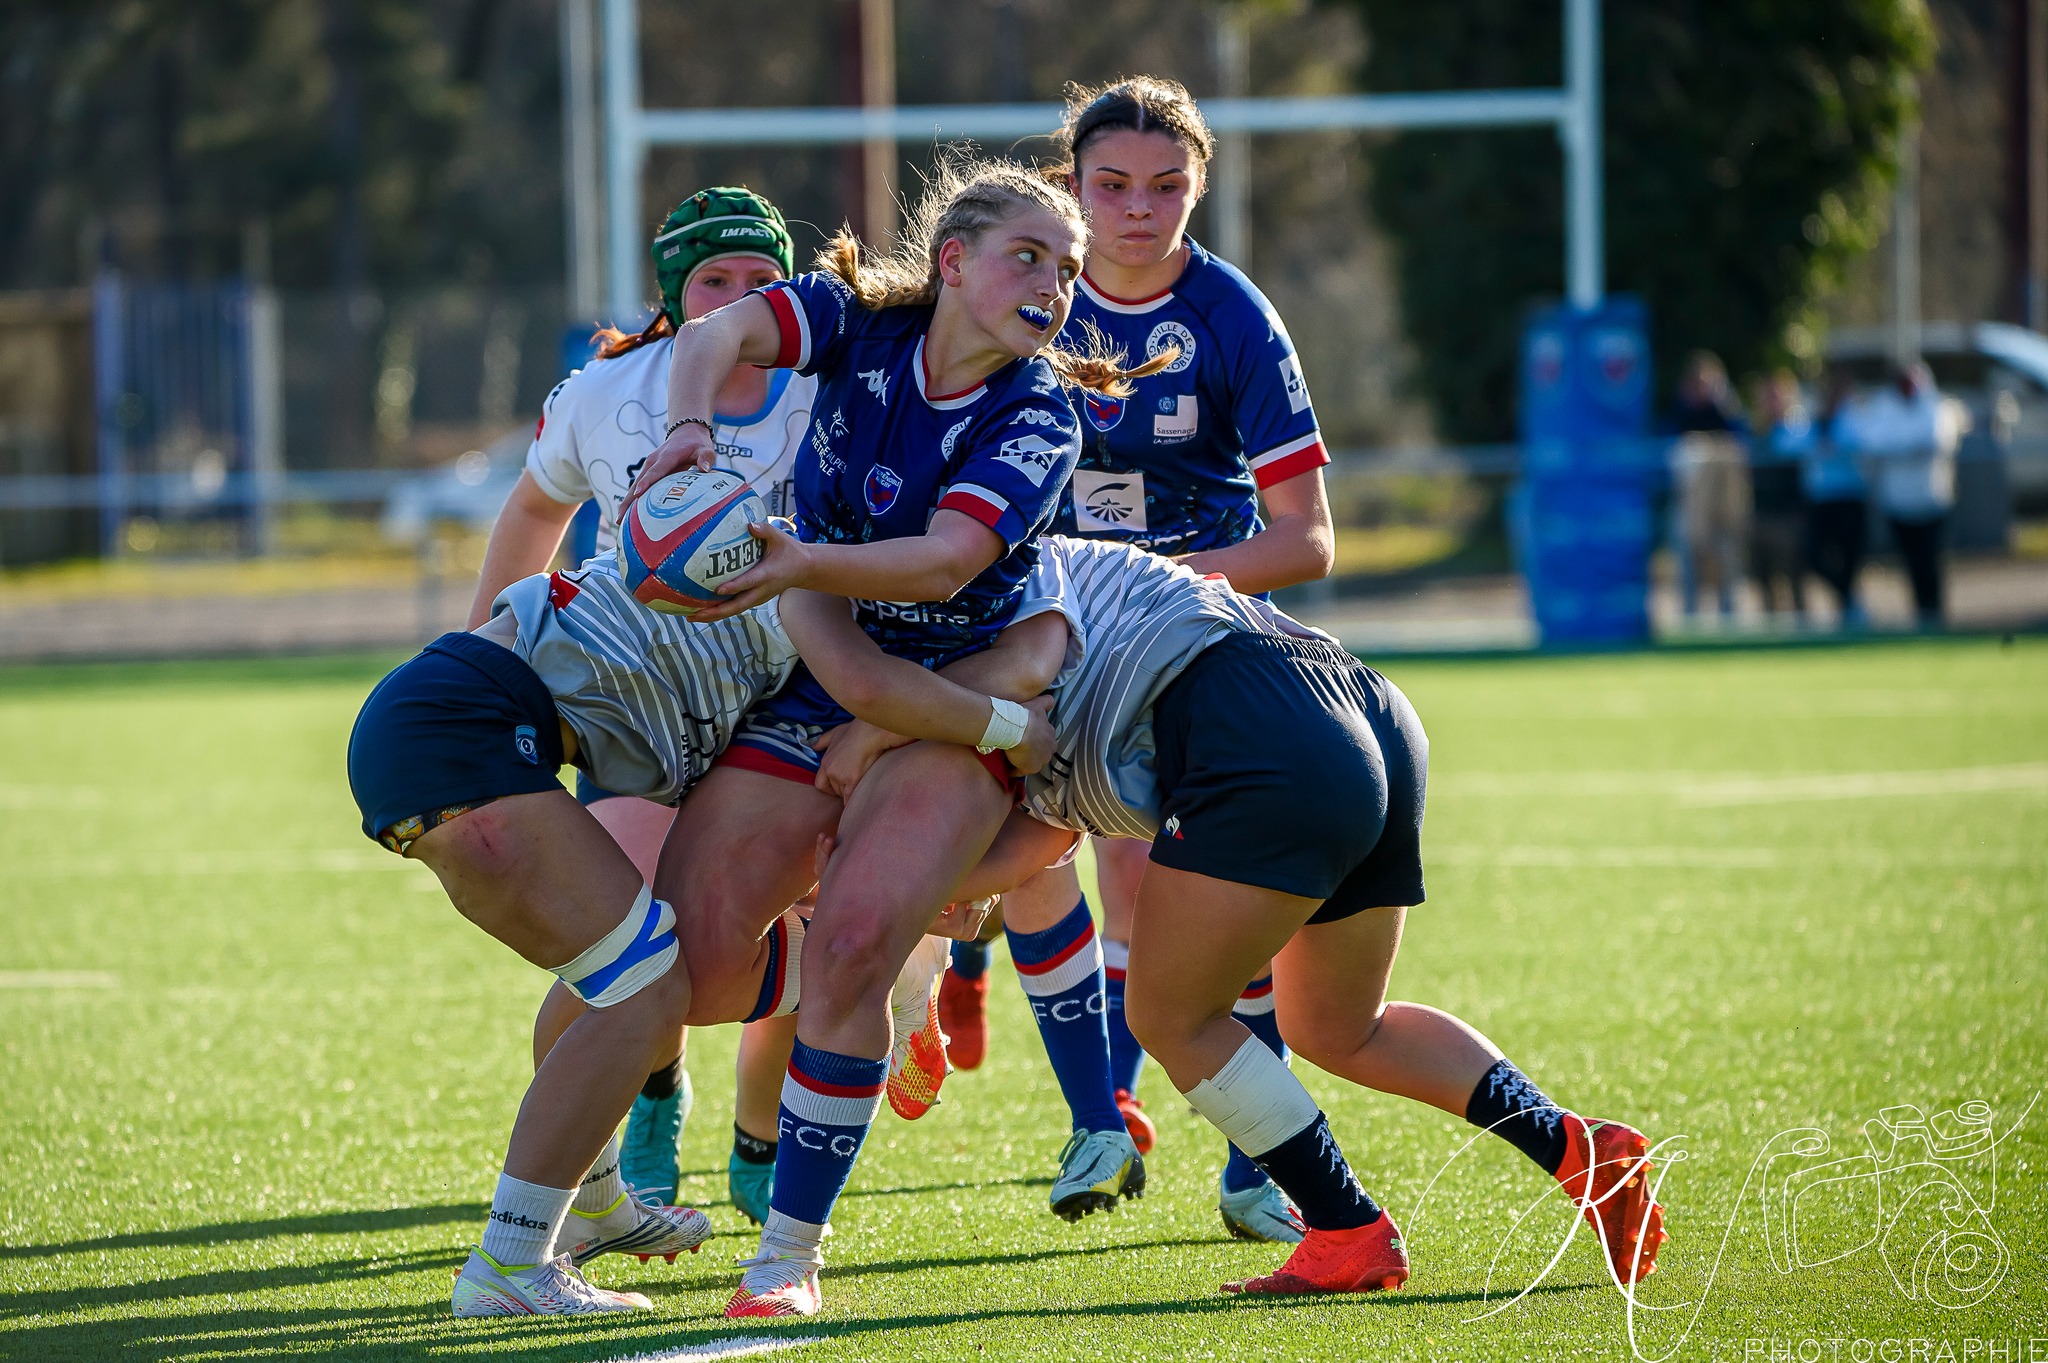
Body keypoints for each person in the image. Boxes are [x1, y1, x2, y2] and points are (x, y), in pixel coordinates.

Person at [814, 535, 1671, 1298]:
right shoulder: (1016, 595)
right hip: (1362, 705)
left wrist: (874, 735)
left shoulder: (997, 594)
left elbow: (1018, 685)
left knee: (1168, 1016)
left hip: (1252, 719)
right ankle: (1574, 1147)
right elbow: (1035, 842)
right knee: (1341, 1026)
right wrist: (885, 887)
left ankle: (1346, 1227)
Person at [622, 157, 1167, 1318]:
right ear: (953, 262)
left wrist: (790, 562)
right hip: (818, 668)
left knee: (857, 939)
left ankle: (786, 1255)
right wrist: (684, 434)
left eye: (1068, 271)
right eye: (1028, 258)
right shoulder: (859, 319)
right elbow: (717, 336)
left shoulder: (1038, 410)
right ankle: (877, 955)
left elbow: (944, 564)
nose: (1054, 287)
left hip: (952, 694)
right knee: (688, 966)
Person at [346, 541, 1060, 1317]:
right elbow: (872, 694)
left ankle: (595, 1205)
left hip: (431, 714)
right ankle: (511, 1261)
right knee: (645, 990)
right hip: (465, 730)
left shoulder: (762, 563)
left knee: (621, 974)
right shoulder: (802, 591)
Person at [934, 75, 1337, 1245]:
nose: (1136, 211)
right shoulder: (1019, 293)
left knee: (1206, 901)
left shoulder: (1231, 317)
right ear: (1068, 186)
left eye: (1166, 187)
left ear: (1198, 188)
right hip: (1037, 631)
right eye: (1109, 186)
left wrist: (1148, 590)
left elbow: (1306, 539)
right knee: (1005, 851)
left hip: (1189, 640)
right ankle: (975, 984)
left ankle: (1237, 1164)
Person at [466, 185, 813, 1221]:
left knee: (793, 921)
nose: (739, 299)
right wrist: (482, 656)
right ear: (673, 293)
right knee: (623, 936)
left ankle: (763, 1132)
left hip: (791, 699)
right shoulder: (607, 390)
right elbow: (534, 505)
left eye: (762, 279)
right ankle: (634, 1115)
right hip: (640, 702)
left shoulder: (831, 386)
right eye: (714, 280)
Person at [1859, 361, 1961, 628]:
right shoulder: (1884, 406)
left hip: (1932, 500)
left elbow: (1936, 440)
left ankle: (1936, 614)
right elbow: (1874, 442)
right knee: (1912, 563)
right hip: (1899, 503)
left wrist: (1901, 450)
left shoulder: (1934, 404)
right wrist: (1909, 449)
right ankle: (1922, 615)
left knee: (1932, 562)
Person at [1666, 351, 1751, 619]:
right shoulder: (1680, 411)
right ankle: (1690, 613)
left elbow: (1742, 437)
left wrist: (1724, 403)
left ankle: (1728, 611)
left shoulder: (1725, 410)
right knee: (1688, 555)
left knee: (1727, 555)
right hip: (1690, 503)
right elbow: (1669, 441)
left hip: (1723, 503)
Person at [1804, 370, 1870, 627]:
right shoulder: (1814, 418)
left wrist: (1835, 446)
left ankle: (1849, 607)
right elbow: (1793, 443)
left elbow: (1861, 442)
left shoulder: (1854, 416)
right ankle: (1848, 598)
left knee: (1850, 557)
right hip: (1822, 499)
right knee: (1814, 556)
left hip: (1850, 496)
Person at [1746, 369, 1810, 619]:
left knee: (1795, 576)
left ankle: (1803, 625)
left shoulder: (1797, 431)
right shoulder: (1754, 433)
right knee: (1762, 577)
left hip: (1788, 516)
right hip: (1761, 513)